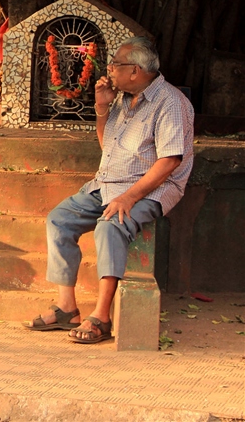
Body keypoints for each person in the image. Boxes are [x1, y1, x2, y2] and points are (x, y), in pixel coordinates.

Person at [26, 37, 194, 344]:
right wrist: (102, 107)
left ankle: (102, 317)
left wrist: (129, 197)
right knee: (59, 219)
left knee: (109, 225)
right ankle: (67, 309)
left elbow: (170, 160)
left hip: (151, 187)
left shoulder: (170, 103)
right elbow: (109, 148)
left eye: (116, 64)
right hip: (108, 183)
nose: (110, 69)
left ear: (136, 71)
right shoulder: (122, 97)